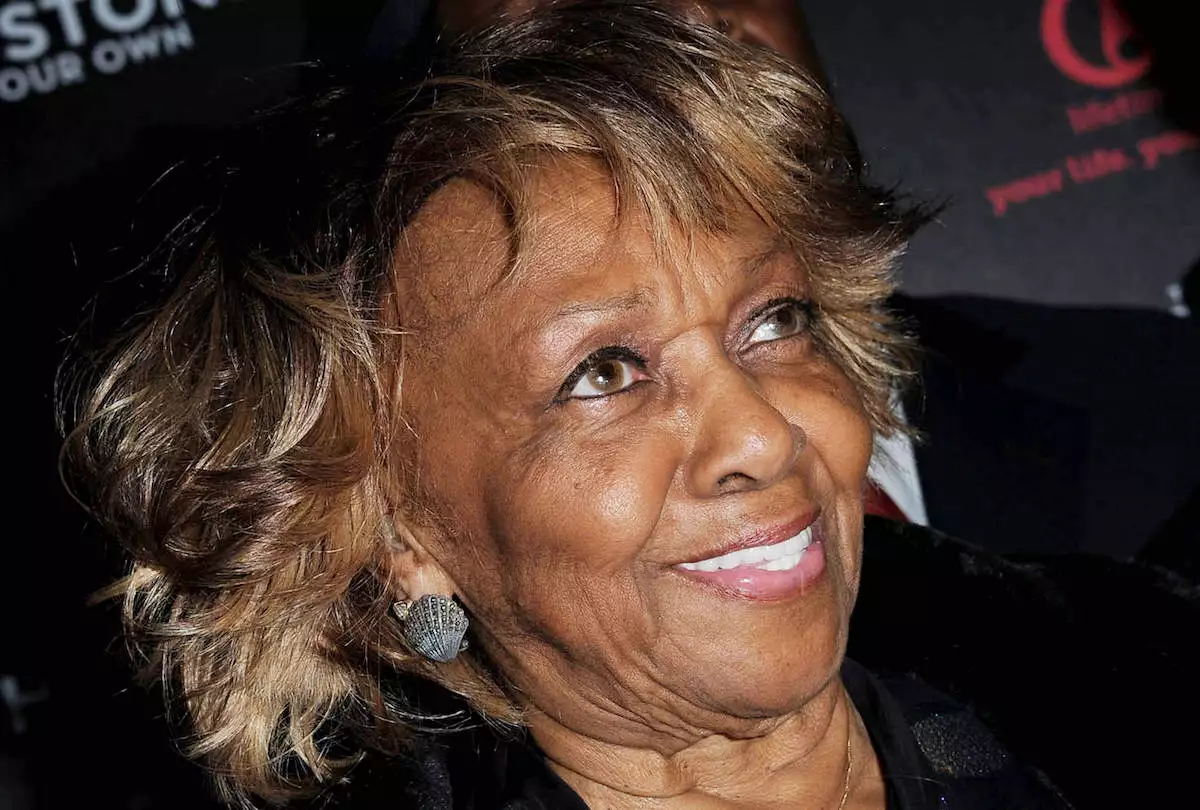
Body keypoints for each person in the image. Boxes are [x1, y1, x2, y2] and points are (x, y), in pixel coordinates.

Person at [58, 2, 1165, 808]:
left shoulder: (1140, 686)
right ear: (399, 532)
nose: (762, 433)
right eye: (604, 373)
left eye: (774, 321)